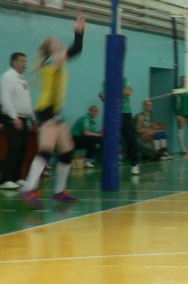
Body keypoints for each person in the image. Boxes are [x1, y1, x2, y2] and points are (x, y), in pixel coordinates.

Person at [19, 11, 86, 208]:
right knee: (47, 149)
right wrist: (79, 32)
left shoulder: (55, 62)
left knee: (67, 150)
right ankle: (28, 188)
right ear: (51, 48)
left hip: (54, 111)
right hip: (46, 110)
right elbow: (76, 49)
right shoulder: (53, 60)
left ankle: (59, 191)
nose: (59, 42)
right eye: (55, 41)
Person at [1, 52, 33, 189]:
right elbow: (6, 99)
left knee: (23, 148)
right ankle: (5, 180)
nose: (26, 64)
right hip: (12, 117)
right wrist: (14, 117)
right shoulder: (8, 77)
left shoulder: (22, 79)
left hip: (23, 118)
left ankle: (17, 177)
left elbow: (26, 101)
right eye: (22, 61)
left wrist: (33, 118)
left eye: (26, 61)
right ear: (14, 62)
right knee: (14, 148)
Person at [100, 75, 141, 175]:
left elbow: (128, 92)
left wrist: (111, 94)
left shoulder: (125, 80)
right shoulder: (106, 82)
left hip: (125, 113)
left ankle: (135, 164)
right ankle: (110, 163)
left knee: (130, 138)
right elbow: (103, 97)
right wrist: (119, 93)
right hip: (111, 114)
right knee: (109, 138)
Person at [173, 76, 188, 154]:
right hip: (181, 113)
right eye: (183, 80)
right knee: (181, 130)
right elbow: (176, 102)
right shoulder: (179, 90)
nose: (184, 81)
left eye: (185, 80)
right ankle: (183, 149)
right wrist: (177, 114)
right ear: (181, 81)